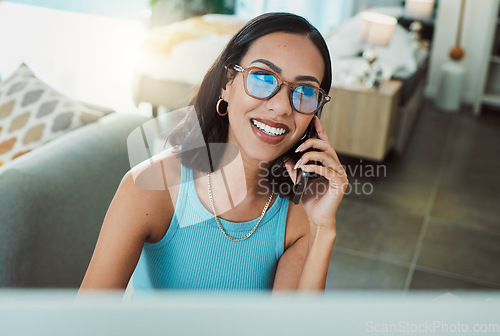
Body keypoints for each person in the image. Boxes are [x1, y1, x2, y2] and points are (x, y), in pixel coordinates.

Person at [80, 12, 348, 292]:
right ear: (226, 84)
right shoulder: (150, 188)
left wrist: (323, 230)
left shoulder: (300, 214)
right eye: (262, 77)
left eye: (305, 91)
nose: (281, 107)